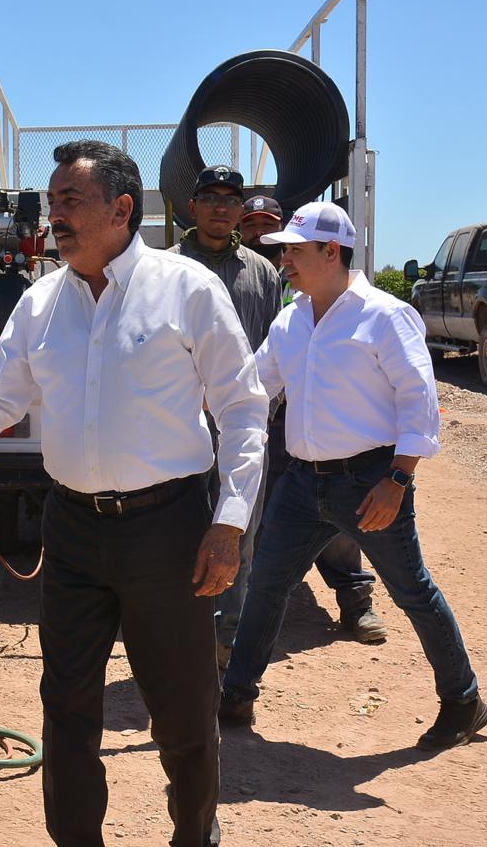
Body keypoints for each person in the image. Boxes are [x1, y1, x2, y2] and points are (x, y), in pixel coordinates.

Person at [0, 140, 269, 846]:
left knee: (182, 711)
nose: (55, 217)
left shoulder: (188, 289)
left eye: (70, 201)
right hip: (71, 529)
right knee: (67, 707)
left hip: (168, 530)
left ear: (122, 208)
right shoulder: (42, 303)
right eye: (51, 203)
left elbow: (243, 409)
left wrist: (228, 523)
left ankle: (195, 835)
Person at [218, 202, 487, 753]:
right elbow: (254, 386)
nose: (284, 260)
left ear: (332, 252)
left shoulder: (385, 316)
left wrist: (398, 481)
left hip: (370, 482)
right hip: (300, 481)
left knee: (412, 591)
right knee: (268, 585)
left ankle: (464, 701)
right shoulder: (292, 318)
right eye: (283, 251)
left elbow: (419, 402)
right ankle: (236, 695)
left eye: (295, 250)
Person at [237, 194, 387, 651]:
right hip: (254, 407)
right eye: (254, 226)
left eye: (271, 226)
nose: (264, 237)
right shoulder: (240, 269)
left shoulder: (295, 279)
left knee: (338, 514)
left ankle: (355, 598)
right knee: (259, 507)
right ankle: (251, 608)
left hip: (300, 408)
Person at [168, 167, 287, 669]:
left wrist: (256, 412)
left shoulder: (261, 273)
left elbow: (273, 350)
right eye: (209, 197)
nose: (220, 207)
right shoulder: (165, 268)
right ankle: (180, 644)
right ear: (191, 207)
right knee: (179, 536)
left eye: (230, 199)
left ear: (241, 210)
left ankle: (227, 650)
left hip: (241, 431)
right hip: (177, 433)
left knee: (238, 534)